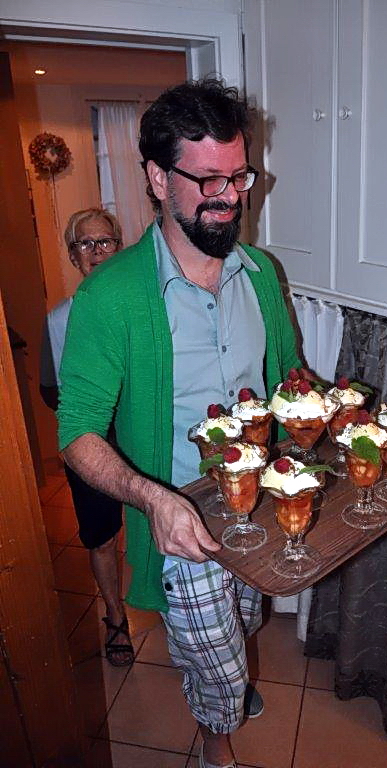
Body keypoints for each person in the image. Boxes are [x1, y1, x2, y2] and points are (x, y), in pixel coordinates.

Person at [57, 79, 301, 768]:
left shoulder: (262, 273)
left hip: (257, 504)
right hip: (182, 520)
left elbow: (288, 376)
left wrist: (325, 421)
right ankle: (216, 746)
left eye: (239, 176)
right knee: (215, 668)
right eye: (208, 180)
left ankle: (229, 682)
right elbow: (76, 429)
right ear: (159, 179)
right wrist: (152, 499)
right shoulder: (110, 296)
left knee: (245, 618)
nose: (230, 197)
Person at [40, 207, 134, 667]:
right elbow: (50, 391)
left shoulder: (143, 310)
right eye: (85, 243)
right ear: (73, 255)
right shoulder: (58, 321)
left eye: (105, 242)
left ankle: (175, 607)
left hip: (141, 437)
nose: (96, 251)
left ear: (119, 248)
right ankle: (115, 616)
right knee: (101, 536)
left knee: (159, 523)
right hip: (91, 442)